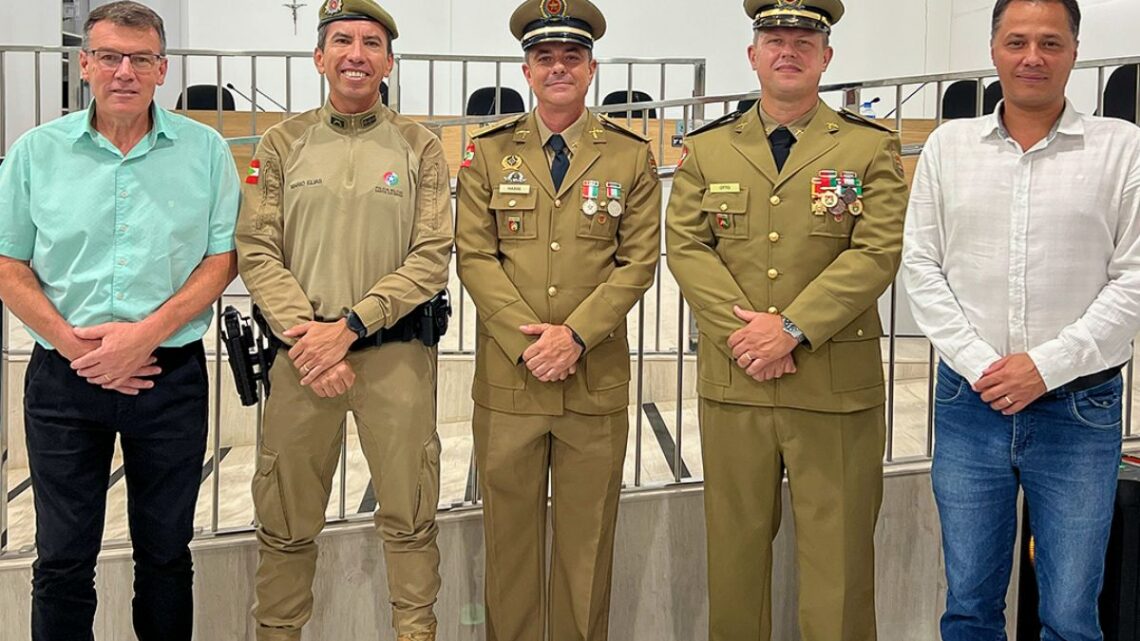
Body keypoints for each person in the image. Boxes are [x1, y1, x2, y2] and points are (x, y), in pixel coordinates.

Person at [665, 1, 910, 639]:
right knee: (735, 563)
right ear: (753, 55)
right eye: (774, 38)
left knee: (840, 568)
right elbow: (687, 247)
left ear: (827, 56)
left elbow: (878, 250)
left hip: (832, 387)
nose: (789, 50)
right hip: (737, 380)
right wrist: (747, 337)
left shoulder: (869, 145)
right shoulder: (709, 148)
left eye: (805, 38)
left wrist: (792, 329)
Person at [0, 2, 239, 639]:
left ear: (162, 69)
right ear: (85, 65)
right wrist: (75, 346)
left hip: (169, 376)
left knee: (165, 556)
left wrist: (144, 336)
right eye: (109, 56)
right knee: (61, 559)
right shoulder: (35, 154)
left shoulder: (206, 151)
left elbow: (221, 260)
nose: (124, 71)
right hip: (63, 380)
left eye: (140, 59)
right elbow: (8, 264)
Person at [902, 1, 1140, 638]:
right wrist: (987, 367)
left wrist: (1043, 367)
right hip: (969, 402)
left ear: (1074, 50)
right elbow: (921, 267)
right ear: (994, 49)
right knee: (970, 605)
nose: (1032, 57)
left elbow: (1134, 281)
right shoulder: (949, 148)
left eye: (1050, 43)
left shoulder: (1122, 148)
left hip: (1079, 407)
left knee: (1068, 612)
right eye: (1017, 41)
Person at [234, 1, 453, 639]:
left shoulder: (421, 148)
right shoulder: (280, 144)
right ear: (320, 56)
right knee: (284, 523)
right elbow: (257, 247)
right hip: (301, 358)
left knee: (411, 517)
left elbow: (432, 256)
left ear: (388, 60)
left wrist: (350, 328)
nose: (356, 53)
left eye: (370, 43)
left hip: (394, 358)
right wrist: (311, 339)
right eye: (342, 41)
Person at [454, 1, 661, 638]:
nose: (558, 68)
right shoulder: (488, 154)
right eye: (545, 58)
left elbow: (637, 261)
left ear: (591, 68)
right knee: (510, 551)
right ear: (527, 70)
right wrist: (531, 343)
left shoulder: (630, 156)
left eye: (571, 57)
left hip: (592, 382)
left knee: (586, 550)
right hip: (510, 384)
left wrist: (573, 337)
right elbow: (475, 256)